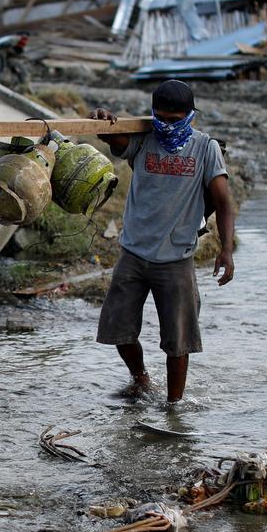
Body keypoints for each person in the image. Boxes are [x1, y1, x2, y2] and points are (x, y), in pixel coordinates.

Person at [91, 79, 236, 403]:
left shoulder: (205, 148)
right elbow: (110, 134)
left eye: (175, 120)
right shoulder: (144, 139)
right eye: (161, 118)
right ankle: (141, 378)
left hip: (176, 257)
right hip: (134, 251)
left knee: (178, 340)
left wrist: (226, 250)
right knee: (118, 328)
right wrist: (99, 116)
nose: (167, 126)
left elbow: (224, 202)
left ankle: (174, 405)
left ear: (190, 117)